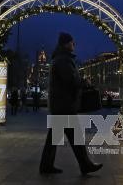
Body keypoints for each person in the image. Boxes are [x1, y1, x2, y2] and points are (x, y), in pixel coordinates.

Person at [39, 32, 102, 175]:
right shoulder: (63, 60)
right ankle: (85, 165)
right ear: (66, 44)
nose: (74, 45)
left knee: (56, 139)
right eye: (72, 42)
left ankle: (46, 166)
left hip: (61, 105)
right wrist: (84, 82)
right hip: (64, 105)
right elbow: (70, 80)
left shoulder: (61, 58)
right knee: (75, 137)